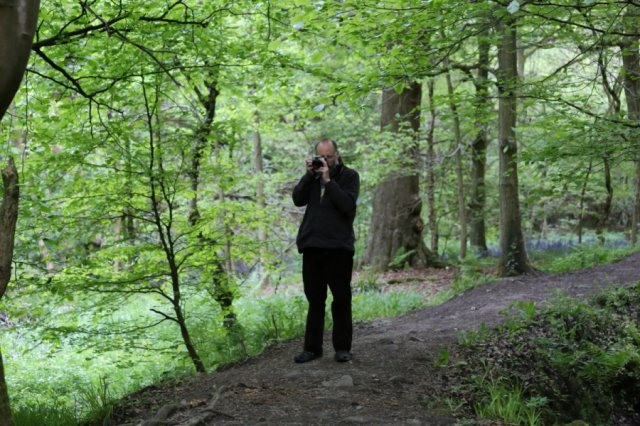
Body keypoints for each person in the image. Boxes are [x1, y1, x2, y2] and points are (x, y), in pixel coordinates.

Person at [291, 139, 360, 363]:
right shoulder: (312, 178)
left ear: (337, 155)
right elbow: (297, 199)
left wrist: (329, 181)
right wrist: (309, 175)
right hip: (312, 247)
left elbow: (347, 206)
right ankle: (312, 349)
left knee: (341, 299)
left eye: (329, 157)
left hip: (339, 248)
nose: (325, 161)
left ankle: (342, 348)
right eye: (321, 157)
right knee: (315, 300)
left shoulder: (349, 176)